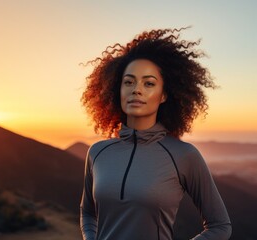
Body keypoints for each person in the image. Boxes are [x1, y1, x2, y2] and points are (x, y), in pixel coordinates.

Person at [80, 28, 231, 240]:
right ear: (118, 90)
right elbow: (87, 213)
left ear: (164, 95)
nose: (136, 90)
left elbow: (220, 225)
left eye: (149, 83)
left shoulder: (183, 155)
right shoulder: (98, 152)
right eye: (129, 82)